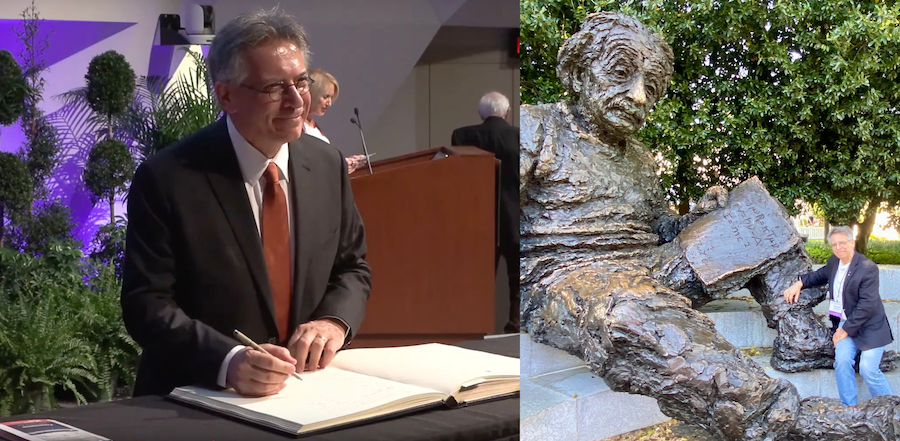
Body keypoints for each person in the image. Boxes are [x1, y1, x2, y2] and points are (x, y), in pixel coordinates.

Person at [120, 7, 371, 398]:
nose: (295, 101)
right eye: (274, 88)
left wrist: (333, 322)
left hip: (305, 396)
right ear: (226, 95)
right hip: (197, 401)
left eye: (301, 82)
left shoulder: (327, 164)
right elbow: (146, 304)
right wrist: (229, 360)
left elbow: (352, 266)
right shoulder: (168, 178)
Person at [783, 226, 894, 406]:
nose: (838, 247)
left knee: (868, 369)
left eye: (842, 243)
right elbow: (819, 275)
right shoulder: (834, 262)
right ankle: (849, 408)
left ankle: (892, 409)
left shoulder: (867, 268)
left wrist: (844, 331)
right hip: (844, 322)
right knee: (841, 362)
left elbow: (867, 306)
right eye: (834, 244)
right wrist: (799, 284)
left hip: (870, 326)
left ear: (852, 243)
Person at [451, 92, 519, 333]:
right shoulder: (521, 137)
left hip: (477, 219)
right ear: (507, 112)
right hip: (514, 219)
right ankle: (515, 324)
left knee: (479, 277)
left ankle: (474, 324)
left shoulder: (463, 136)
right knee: (517, 277)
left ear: (481, 114)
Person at [303, 68, 368, 173]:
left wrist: (344, 164)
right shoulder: (297, 127)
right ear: (312, 93)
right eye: (326, 97)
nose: (329, 103)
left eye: (331, 98)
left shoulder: (315, 128)